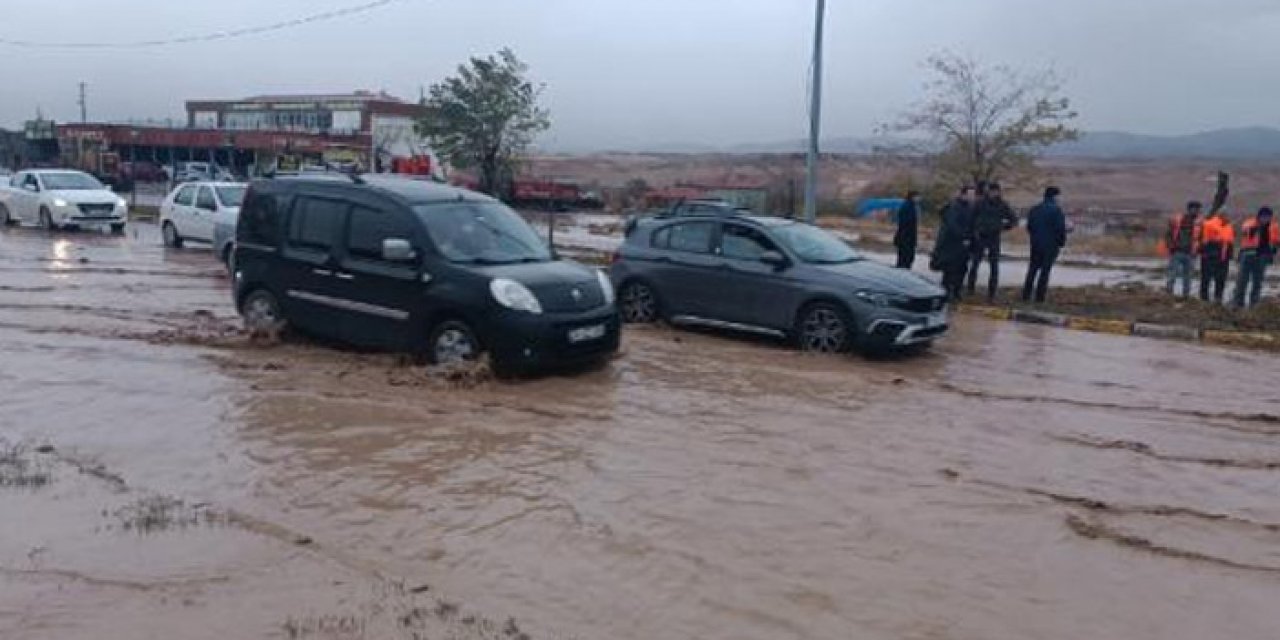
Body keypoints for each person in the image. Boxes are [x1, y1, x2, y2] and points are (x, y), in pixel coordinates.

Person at [966, 182, 1018, 301]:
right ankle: (970, 289)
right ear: (988, 192)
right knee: (975, 264)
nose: (993, 193)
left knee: (994, 266)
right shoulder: (980, 203)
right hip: (980, 236)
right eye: (991, 191)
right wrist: (973, 232)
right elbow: (971, 219)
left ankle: (991, 293)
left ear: (998, 192)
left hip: (994, 237)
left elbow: (1013, 219)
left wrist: (1003, 227)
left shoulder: (1002, 204)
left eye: (995, 191)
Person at [1022, 186, 1067, 303]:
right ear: (1055, 196)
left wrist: (1034, 238)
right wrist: (1061, 243)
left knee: (1032, 270)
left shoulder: (1035, 209)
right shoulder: (1056, 211)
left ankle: (1025, 295)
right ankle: (1039, 297)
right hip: (1050, 245)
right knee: (1045, 272)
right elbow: (1060, 229)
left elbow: (1029, 227)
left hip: (1035, 244)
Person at [931, 185, 975, 301]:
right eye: (969, 194)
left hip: (963, 245)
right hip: (951, 244)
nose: (971, 197)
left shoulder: (970, 208)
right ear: (963, 194)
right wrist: (964, 237)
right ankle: (946, 292)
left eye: (973, 194)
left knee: (962, 268)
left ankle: (956, 292)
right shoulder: (954, 207)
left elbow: (971, 224)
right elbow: (953, 225)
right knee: (950, 270)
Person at [1233, 207, 1278, 308]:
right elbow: (1246, 231)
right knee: (1242, 280)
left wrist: (1273, 251)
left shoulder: (1273, 227)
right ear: (1259, 216)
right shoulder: (1250, 223)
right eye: (1263, 216)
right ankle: (1238, 303)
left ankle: (1254, 303)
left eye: (1268, 216)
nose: (1265, 218)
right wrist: (1258, 227)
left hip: (1262, 256)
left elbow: (1276, 241)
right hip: (1248, 254)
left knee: (1257, 281)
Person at [1165, 201, 1202, 298]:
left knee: (1188, 277)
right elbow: (1168, 234)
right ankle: (1169, 293)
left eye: (1198, 209)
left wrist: (1198, 250)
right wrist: (1170, 246)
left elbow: (1200, 238)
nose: (1196, 211)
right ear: (1189, 209)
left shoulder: (1199, 223)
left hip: (1190, 253)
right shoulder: (1178, 220)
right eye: (1194, 209)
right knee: (1172, 274)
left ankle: (1186, 295)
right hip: (1177, 251)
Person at [1199, 209, 1235, 303]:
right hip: (1210, 255)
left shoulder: (1229, 226)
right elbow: (1204, 240)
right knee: (1206, 278)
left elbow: (1230, 241)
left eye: (1227, 215)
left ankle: (1218, 299)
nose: (1227, 216)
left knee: (1221, 279)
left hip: (1223, 257)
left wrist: (1230, 254)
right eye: (1225, 215)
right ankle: (1204, 298)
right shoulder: (1209, 224)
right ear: (1220, 215)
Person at [894, 190, 920, 269]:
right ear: (913, 197)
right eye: (917, 196)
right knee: (905, 259)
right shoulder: (907, 206)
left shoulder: (911, 206)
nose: (919, 199)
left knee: (905, 258)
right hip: (906, 237)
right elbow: (905, 223)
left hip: (907, 237)